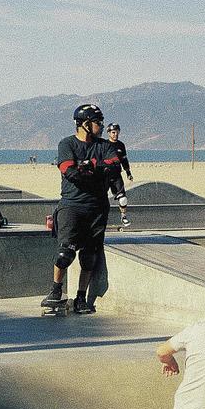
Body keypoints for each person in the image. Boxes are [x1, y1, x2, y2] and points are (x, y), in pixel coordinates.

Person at [41, 103, 122, 315]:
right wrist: (97, 170)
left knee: (89, 256)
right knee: (65, 252)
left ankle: (80, 297)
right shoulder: (66, 144)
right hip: (72, 206)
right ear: (85, 124)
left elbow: (114, 167)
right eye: (98, 122)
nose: (102, 126)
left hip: (97, 207)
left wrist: (88, 168)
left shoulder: (105, 145)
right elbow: (70, 172)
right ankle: (56, 290)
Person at [106, 123, 133, 228]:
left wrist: (128, 173)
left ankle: (123, 216)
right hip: (105, 175)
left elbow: (124, 160)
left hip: (117, 175)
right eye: (113, 132)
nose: (115, 134)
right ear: (109, 133)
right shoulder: (104, 144)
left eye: (117, 132)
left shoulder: (121, 145)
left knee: (123, 199)